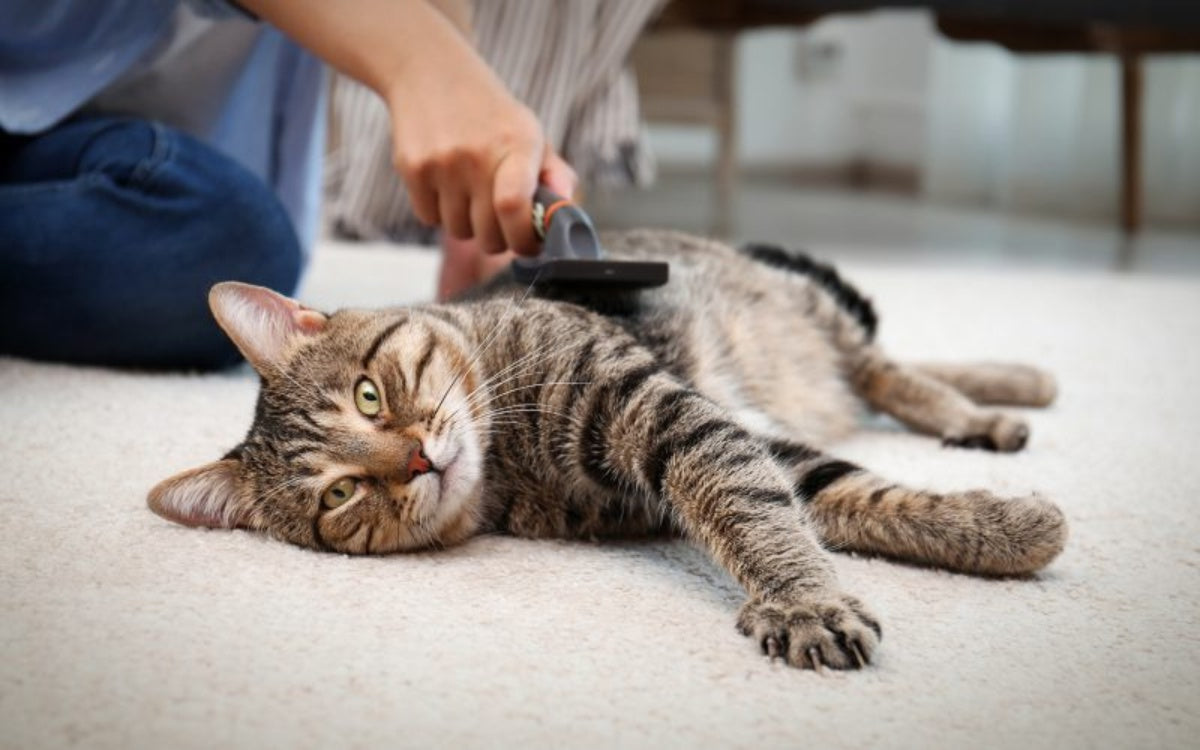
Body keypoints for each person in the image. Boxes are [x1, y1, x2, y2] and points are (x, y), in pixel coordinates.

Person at [0, 0, 577, 369]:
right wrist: (424, 68)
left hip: (88, 145)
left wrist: (476, 130)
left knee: (220, 240)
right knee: (236, 250)